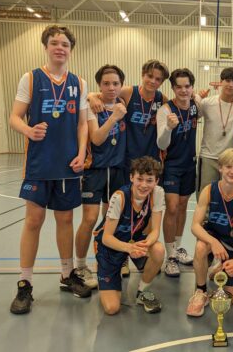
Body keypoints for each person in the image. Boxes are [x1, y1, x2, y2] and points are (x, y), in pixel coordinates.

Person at [9, 25, 91, 315]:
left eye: (65, 44)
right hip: (39, 163)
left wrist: (81, 153)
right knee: (34, 220)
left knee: (65, 220)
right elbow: (14, 117)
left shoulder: (79, 83)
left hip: (68, 165)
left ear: (71, 50)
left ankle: (67, 274)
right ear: (46, 46)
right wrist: (28, 131)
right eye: (55, 43)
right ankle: (25, 283)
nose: (60, 48)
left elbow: (82, 124)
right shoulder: (31, 78)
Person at [89, 59, 169, 278]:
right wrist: (92, 96)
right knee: (119, 209)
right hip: (127, 163)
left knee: (146, 211)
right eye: (150, 76)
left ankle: (141, 251)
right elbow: (103, 94)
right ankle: (120, 254)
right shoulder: (128, 92)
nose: (153, 81)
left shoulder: (161, 99)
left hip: (150, 166)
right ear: (143, 74)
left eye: (158, 79)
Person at [75, 65, 128, 289]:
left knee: (113, 219)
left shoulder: (123, 102)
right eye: (106, 83)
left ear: (121, 85)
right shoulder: (91, 106)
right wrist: (113, 117)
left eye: (115, 83)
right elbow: (96, 138)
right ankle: (80, 266)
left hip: (118, 170)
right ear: (99, 85)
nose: (111, 88)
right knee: (89, 219)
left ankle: (114, 260)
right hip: (95, 170)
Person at [187, 148, 233, 317]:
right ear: (220, 168)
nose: (232, 171)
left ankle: (218, 269)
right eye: (228, 167)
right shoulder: (209, 190)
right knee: (200, 247)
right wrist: (213, 242)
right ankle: (201, 291)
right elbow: (195, 226)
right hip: (214, 237)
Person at [94, 157, 166, 315]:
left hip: (135, 240)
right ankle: (107, 272)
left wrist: (145, 245)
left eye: (149, 180)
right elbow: (106, 238)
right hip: (110, 246)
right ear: (131, 177)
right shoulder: (119, 197)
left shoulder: (158, 193)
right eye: (140, 179)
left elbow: (155, 231)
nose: (144, 185)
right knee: (112, 308)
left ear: (156, 181)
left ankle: (142, 292)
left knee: (158, 250)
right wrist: (129, 248)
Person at [157, 68, 200, 277]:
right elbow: (161, 143)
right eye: (179, 87)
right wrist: (168, 128)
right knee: (172, 208)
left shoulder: (195, 105)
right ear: (173, 88)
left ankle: (177, 248)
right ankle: (170, 257)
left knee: (182, 207)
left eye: (187, 86)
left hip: (190, 164)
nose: (183, 91)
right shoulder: (166, 110)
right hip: (172, 166)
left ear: (192, 87)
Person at [197, 67, 233, 194]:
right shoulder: (207, 103)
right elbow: (192, 116)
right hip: (208, 156)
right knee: (205, 194)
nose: (230, 85)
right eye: (227, 80)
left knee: (227, 196)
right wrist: (196, 97)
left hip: (228, 160)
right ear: (221, 82)